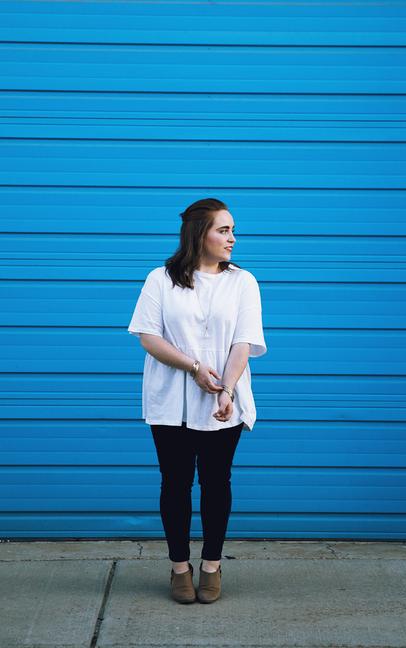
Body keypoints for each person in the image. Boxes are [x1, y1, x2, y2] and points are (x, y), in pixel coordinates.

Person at [127, 197, 267, 603]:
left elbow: (244, 342)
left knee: (216, 483)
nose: (233, 239)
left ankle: (211, 564)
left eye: (232, 230)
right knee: (174, 484)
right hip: (170, 402)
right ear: (198, 234)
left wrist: (226, 390)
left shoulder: (243, 282)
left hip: (224, 401)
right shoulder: (160, 279)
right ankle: (178, 568)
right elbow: (148, 336)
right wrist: (193, 367)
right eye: (223, 230)